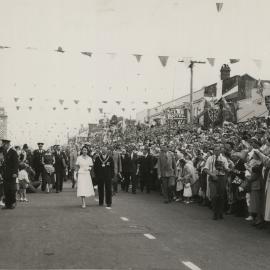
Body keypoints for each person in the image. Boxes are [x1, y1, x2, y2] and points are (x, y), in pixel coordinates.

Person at [203, 146, 229, 220]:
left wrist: (223, 166)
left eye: (218, 150)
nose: (216, 151)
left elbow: (227, 170)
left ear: (220, 151)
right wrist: (212, 174)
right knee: (214, 195)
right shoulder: (210, 158)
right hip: (213, 177)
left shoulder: (224, 159)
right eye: (215, 150)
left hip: (221, 177)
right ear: (213, 151)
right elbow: (205, 169)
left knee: (221, 196)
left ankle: (220, 212)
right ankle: (215, 212)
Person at [1, 139, 19, 209]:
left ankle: (12, 203)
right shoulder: (4, 152)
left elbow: (16, 164)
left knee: (12, 190)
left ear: (7, 144)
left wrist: (15, 173)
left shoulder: (13, 152)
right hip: (5, 174)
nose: (2, 145)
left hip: (12, 174)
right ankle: (7, 204)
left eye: (3, 144)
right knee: (6, 190)